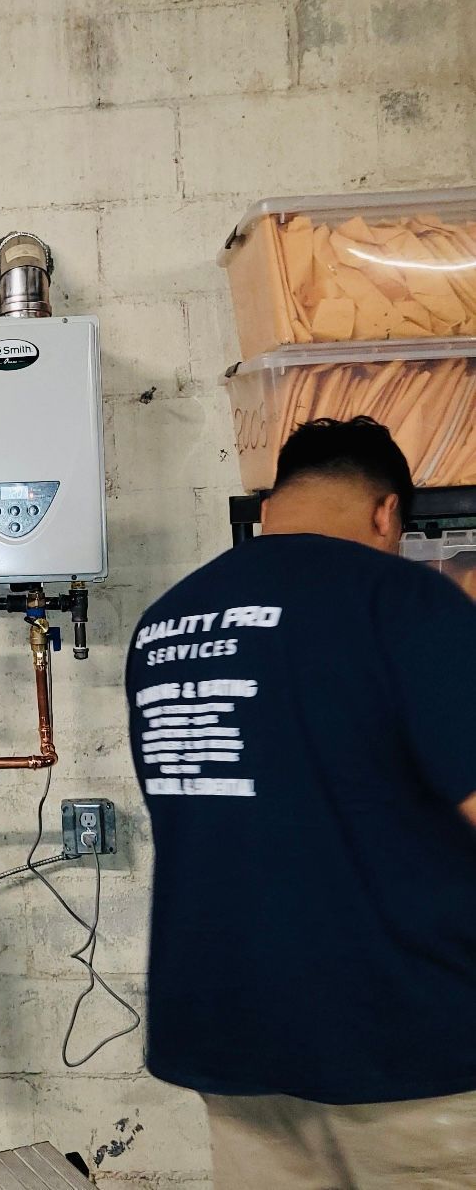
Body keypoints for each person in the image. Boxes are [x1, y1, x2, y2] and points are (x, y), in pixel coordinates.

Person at [125, 417, 476, 1189]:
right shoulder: (405, 600)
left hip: (232, 1034)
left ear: (272, 501)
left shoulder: (165, 624)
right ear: (387, 513)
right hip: (410, 1045)